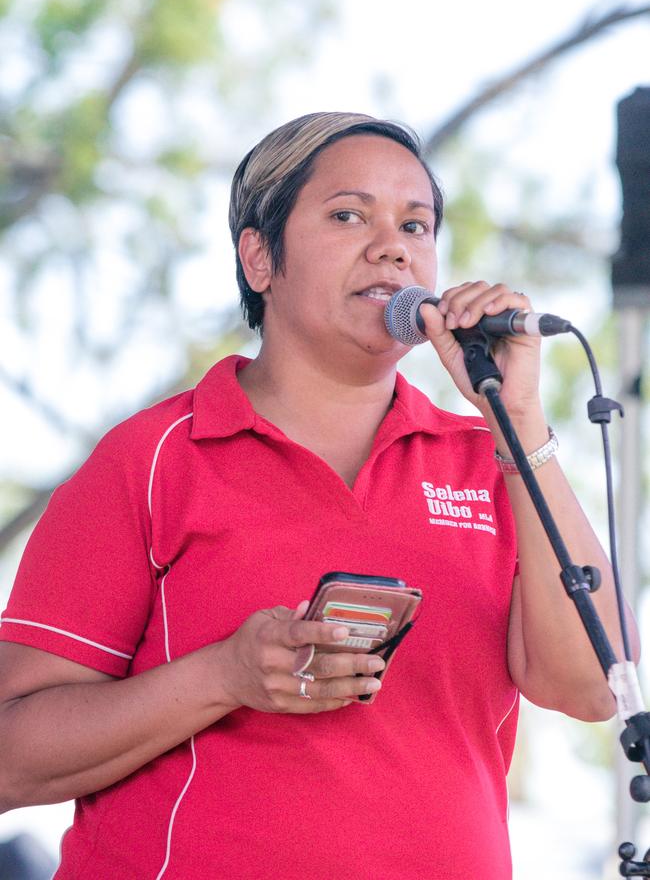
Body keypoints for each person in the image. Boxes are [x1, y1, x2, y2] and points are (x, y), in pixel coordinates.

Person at [0, 112, 640, 879]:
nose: (393, 246)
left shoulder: (490, 464)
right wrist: (226, 676)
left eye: (416, 224)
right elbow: (12, 758)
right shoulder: (153, 458)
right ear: (260, 257)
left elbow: (594, 690)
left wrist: (521, 423)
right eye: (348, 215)